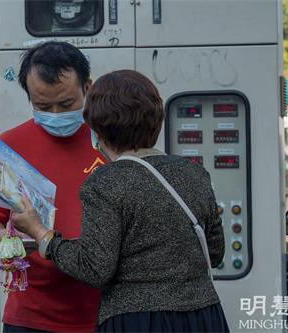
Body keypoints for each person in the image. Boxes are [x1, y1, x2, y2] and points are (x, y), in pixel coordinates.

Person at [12, 70, 229, 332]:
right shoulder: (194, 173)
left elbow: (94, 268)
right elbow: (215, 253)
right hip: (203, 317)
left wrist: (40, 233)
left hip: (139, 321)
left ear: (98, 130)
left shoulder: (105, 183)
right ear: (157, 120)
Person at [0, 41, 104, 332]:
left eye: (67, 104)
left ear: (88, 88)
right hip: (31, 316)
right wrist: (12, 241)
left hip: (103, 312)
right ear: (29, 96)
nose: (56, 115)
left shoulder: (108, 142)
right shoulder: (10, 147)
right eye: (43, 106)